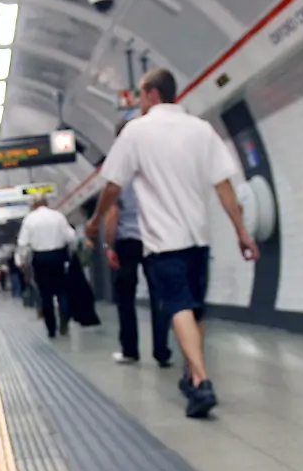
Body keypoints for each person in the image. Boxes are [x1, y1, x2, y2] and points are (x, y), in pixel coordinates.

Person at [85, 68, 259, 418]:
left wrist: (94, 220)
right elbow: (225, 188)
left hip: (163, 241)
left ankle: (202, 379)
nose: (137, 102)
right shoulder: (201, 129)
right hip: (199, 238)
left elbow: (113, 186)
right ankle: (192, 378)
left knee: (178, 305)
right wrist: (242, 232)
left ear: (150, 93)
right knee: (194, 310)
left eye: (139, 95)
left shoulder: (135, 132)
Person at [103, 179, 171, 367]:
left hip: (127, 242)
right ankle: (162, 352)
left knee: (125, 298)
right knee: (159, 296)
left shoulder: (120, 182)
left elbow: (113, 214)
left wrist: (108, 245)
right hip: (155, 241)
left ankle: (130, 351)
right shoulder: (155, 179)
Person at [17, 195, 76, 338]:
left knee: (45, 294)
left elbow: (23, 244)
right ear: (46, 203)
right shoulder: (58, 216)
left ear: (34, 205)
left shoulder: (29, 219)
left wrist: (22, 262)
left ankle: (51, 329)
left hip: (40, 259)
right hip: (58, 257)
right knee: (62, 291)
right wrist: (72, 252)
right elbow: (71, 236)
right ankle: (64, 322)